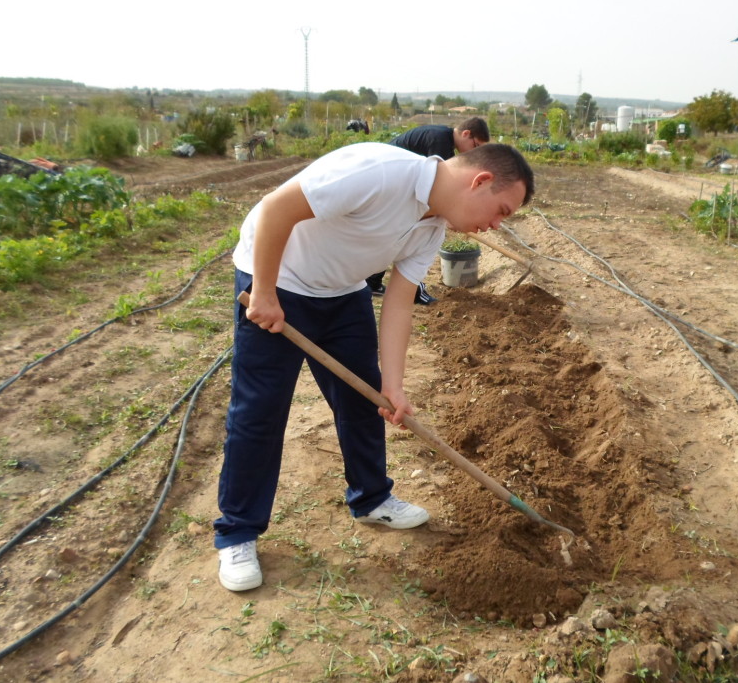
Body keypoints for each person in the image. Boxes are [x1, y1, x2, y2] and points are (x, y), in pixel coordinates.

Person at [213, 141, 534, 592]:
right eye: (501, 210)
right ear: (479, 181)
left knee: (365, 398)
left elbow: (400, 303)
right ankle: (237, 532)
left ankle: (371, 498)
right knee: (259, 413)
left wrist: (395, 387)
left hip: (343, 293)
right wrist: (264, 291)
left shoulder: (432, 228)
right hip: (277, 280)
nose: (497, 225)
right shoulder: (379, 172)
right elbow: (275, 208)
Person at [366, 117, 491, 304]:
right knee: (413, 237)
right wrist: (451, 215)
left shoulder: (443, 139)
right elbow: (441, 185)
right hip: (388, 183)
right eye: (476, 145)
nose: (474, 152)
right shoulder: (439, 140)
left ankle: (372, 283)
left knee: (397, 236)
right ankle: (415, 292)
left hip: (393, 185)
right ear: (466, 134)